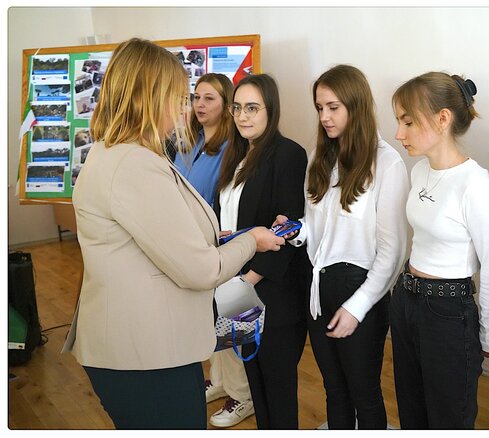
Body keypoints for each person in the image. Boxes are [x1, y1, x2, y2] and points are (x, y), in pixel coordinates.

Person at [61, 37, 285, 430]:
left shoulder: (115, 152)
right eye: (179, 97)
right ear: (151, 97)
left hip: (136, 347)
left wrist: (215, 238)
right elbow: (201, 270)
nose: (185, 109)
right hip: (145, 355)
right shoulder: (133, 165)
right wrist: (252, 241)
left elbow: (152, 238)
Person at [278, 64, 409, 429]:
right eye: (320, 108)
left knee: (364, 393)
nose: (324, 117)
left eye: (333, 107)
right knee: (334, 390)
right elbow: (316, 227)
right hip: (318, 289)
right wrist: (294, 231)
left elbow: (393, 251)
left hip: (360, 290)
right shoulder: (320, 158)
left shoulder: (387, 163)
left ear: (356, 105)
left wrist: (357, 307)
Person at [389, 72, 489, 429]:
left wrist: (487, 335)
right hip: (406, 298)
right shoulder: (419, 171)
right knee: (412, 413)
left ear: (443, 118)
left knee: (448, 420)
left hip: (447, 313)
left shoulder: (476, 187)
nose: (398, 134)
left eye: (408, 122)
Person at [214, 73, 309, 429]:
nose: (242, 116)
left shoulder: (289, 154)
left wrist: (247, 281)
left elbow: (288, 229)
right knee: (254, 381)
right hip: (236, 285)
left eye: (252, 108)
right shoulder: (236, 153)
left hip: (269, 291)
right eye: (237, 108)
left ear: (271, 110)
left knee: (278, 390)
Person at [171, 72, 254, 428]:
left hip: (217, 246)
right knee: (208, 322)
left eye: (209, 99)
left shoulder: (233, 149)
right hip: (187, 243)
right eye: (196, 98)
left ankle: (242, 395)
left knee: (229, 320)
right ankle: (220, 381)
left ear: (227, 106)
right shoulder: (188, 141)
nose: (199, 105)